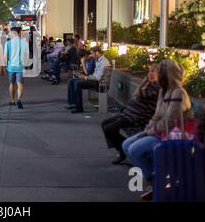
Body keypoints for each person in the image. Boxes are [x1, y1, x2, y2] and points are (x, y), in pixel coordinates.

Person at [122, 60, 193, 200]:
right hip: (160, 132)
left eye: (159, 72)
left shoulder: (178, 93)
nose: (156, 75)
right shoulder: (164, 91)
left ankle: (158, 183)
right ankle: (156, 180)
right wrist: (147, 130)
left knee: (134, 149)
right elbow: (157, 116)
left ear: (168, 75)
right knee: (126, 145)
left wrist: (149, 132)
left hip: (175, 135)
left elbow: (171, 121)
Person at [101, 64, 159, 164]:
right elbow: (135, 95)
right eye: (149, 71)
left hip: (138, 116)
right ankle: (122, 149)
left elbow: (137, 94)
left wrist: (145, 81)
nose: (150, 74)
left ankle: (124, 149)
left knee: (109, 128)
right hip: (130, 113)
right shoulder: (149, 84)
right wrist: (145, 80)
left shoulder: (155, 86)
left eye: (153, 71)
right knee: (104, 123)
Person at [66, 46, 111, 113]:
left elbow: (97, 78)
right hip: (94, 79)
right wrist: (84, 76)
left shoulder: (104, 62)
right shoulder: (98, 59)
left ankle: (79, 108)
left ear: (97, 52)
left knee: (78, 83)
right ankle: (73, 103)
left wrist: (85, 77)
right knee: (71, 81)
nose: (91, 55)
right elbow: (94, 74)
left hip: (100, 83)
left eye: (92, 53)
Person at [5, 27, 29, 109]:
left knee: (12, 84)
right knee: (20, 84)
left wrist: (6, 65)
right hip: (20, 67)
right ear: (19, 33)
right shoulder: (24, 43)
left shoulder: (8, 43)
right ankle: (19, 99)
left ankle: (12, 100)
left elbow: (6, 56)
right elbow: (27, 55)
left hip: (11, 67)